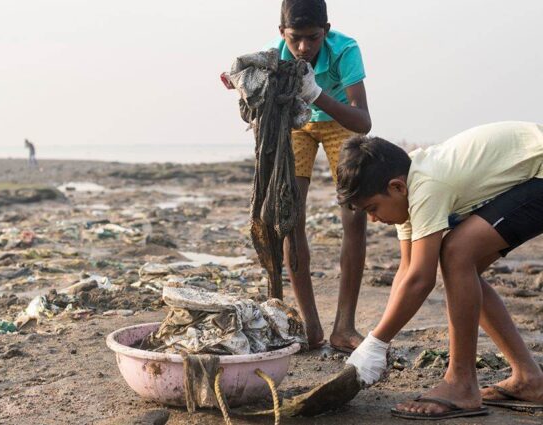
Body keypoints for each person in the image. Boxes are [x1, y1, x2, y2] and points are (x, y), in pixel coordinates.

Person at [338, 121, 543, 420]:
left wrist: (377, 342)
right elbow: (407, 272)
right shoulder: (409, 188)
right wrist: (376, 341)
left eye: (372, 208)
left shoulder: (427, 186)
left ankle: (461, 382)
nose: (373, 219)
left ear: (396, 187)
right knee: (463, 270)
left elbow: (422, 279)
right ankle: (529, 378)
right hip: (531, 174)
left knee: (457, 252)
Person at [224, 0, 372, 352]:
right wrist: (243, 84)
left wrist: (316, 93)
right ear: (281, 34)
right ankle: (311, 326)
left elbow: (363, 120)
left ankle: (344, 327)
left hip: (338, 121)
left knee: (354, 216)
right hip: (297, 123)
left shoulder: (345, 51)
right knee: (290, 217)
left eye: (313, 38)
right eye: (295, 39)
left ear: (327, 31)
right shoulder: (276, 56)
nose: (304, 47)